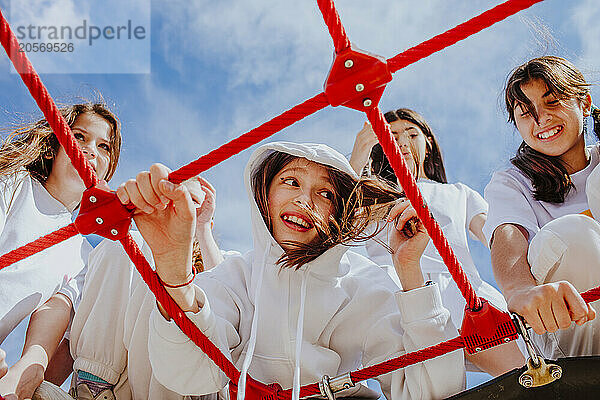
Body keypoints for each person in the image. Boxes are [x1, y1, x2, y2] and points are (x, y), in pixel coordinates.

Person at [122, 142, 465, 400]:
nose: (305, 200)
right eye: (290, 182)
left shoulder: (363, 282)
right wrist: (173, 270)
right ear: (265, 196)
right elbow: (187, 374)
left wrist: (410, 273)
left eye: (325, 193)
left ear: (339, 211)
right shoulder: (237, 274)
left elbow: (435, 392)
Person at [349, 108, 524, 376]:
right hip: (399, 295)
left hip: (464, 292)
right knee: (431, 385)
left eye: (411, 133)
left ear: (428, 143)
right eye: (391, 136)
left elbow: (496, 233)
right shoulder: (371, 198)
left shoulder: (456, 192)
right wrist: (359, 152)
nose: (402, 142)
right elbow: (339, 220)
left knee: (524, 371)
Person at [0, 102, 122, 399]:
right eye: (79, 137)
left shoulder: (81, 256)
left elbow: (40, 348)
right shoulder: (13, 185)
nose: (91, 151)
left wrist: (19, 380)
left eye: (104, 147)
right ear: (54, 145)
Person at [64, 175, 224, 400]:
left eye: (191, 203)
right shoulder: (141, 256)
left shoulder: (226, 261)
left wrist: (202, 226)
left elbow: (227, 294)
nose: (183, 208)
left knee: (169, 272)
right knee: (128, 244)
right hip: (128, 381)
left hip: (194, 382)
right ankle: (91, 386)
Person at [484, 55, 600, 359]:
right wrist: (518, 290)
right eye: (525, 113)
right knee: (574, 232)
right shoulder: (513, 181)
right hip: (574, 329)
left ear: (584, 103)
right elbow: (509, 234)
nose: (541, 119)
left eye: (552, 102)